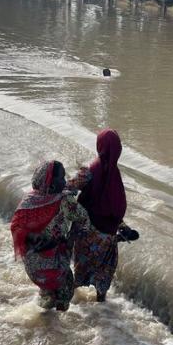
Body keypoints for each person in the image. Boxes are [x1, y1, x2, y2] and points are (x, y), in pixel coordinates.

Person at [68, 129, 136, 302]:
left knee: (81, 267)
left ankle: (71, 302)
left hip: (87, 231)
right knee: (105, 270)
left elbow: (69, 188)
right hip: (108, 234)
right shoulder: (115, 175)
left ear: (100, 146)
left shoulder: (90, 170)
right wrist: (121, 226)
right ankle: (101, 304)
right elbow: (114, 206)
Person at [10, 161, 89, 311]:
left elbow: (15, 227)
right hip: (55, 262)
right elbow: (84, 218)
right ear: (51, 184)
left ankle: (44, 316)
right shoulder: (64, 202)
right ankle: (56, 329)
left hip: (33, 267)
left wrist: (35, 239)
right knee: (65, 290)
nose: (64, 181)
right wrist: (72, 238)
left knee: (48, 292)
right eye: (61, 178)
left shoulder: (28, 201)